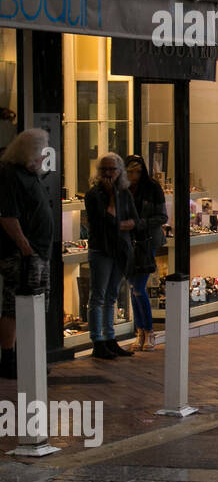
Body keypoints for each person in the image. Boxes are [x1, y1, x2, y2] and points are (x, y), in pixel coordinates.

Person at [0, 128, 55, 378]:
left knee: (35, 304)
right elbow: (8, 216)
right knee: (16, 305)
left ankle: (28, 355)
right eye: (40, 153)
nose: (44, 158)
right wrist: (24, 246)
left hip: (38, 252)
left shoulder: (31, 175)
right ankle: (11, 358)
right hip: (24, 254)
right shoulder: (12, 175)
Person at [84, 153, 140, 360]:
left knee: (112, 296)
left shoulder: (125, 193)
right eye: (104, 170)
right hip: (101, 250)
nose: (107, 174)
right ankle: (97, 341)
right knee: (98, 296)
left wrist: (118, 224)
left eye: (112, 170)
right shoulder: (93, 195)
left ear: (120, 172)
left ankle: (110, 338)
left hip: (120, 250)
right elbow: (102, 222)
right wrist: (110, 198)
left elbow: (135, 221)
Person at [125, 154, 166, 351]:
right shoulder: (122, 189)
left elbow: (162, 216)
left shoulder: (152, 188)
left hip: (146, 241)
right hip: (128, 241)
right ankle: (140, 331)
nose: (134, 175)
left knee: (138, 287)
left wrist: (139, 223)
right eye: (130, 171)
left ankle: (149, 331)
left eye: (138, 171)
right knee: (133, 287)